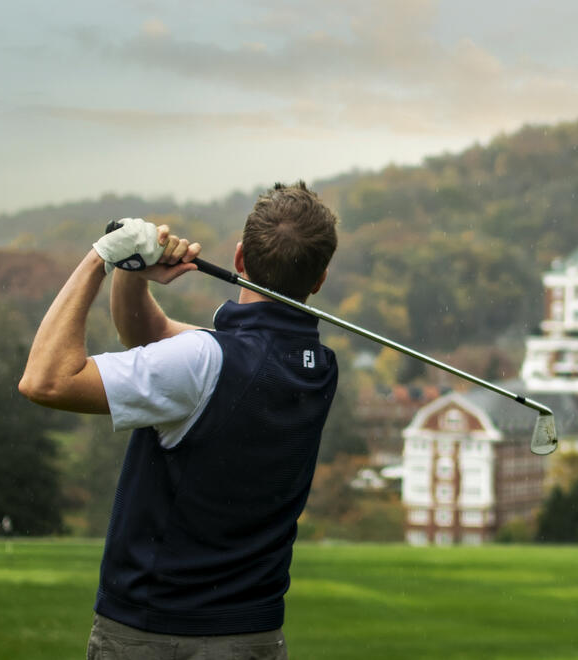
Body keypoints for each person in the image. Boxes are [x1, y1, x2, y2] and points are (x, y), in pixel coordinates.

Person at [19, 182, 340, 659]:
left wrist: (99, 260)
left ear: (238, 259)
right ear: (319, 280)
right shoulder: (317, 366)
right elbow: (152, 337)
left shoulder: (204, 361)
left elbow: (45, 381)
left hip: (154, 632)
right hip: (254, 637)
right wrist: (136, 274)